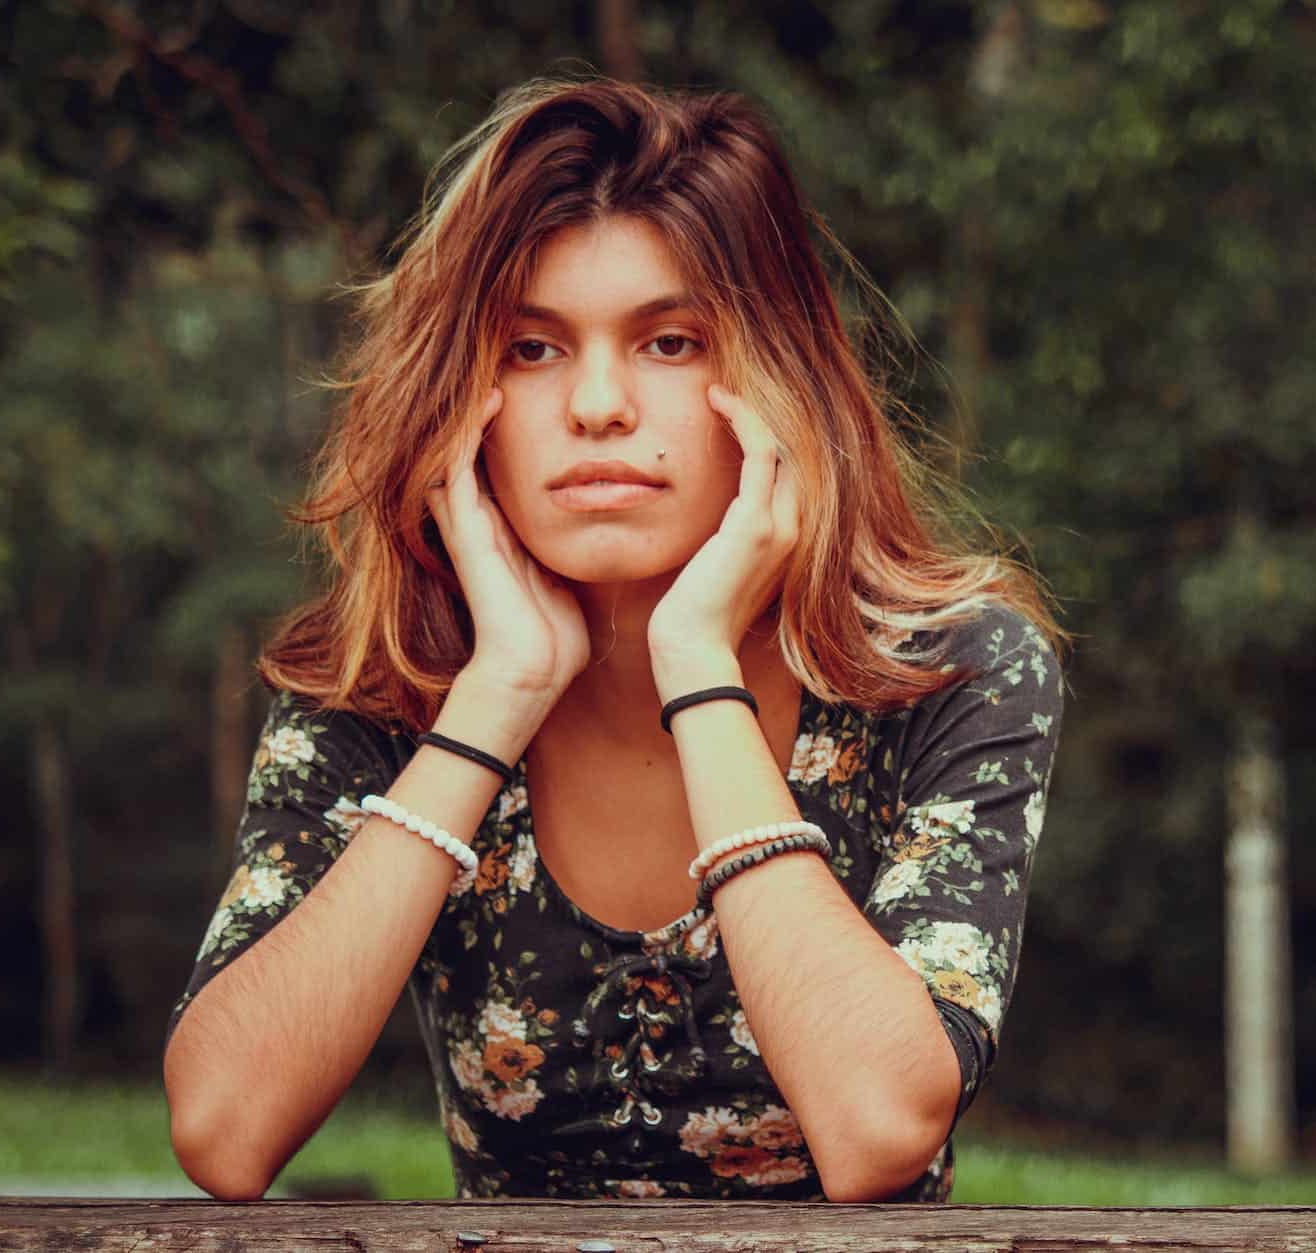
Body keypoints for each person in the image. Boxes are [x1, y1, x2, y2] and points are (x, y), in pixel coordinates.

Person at [161, 76, 1062, 1204]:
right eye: (531, 349)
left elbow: (877, 1125)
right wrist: (496, 696)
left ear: (779, 379)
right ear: (458, 400)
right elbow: (223, 1125)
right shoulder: (391, 682)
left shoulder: (953, 668)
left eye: (670, 341)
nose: (596, 404)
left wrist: (698, 663)